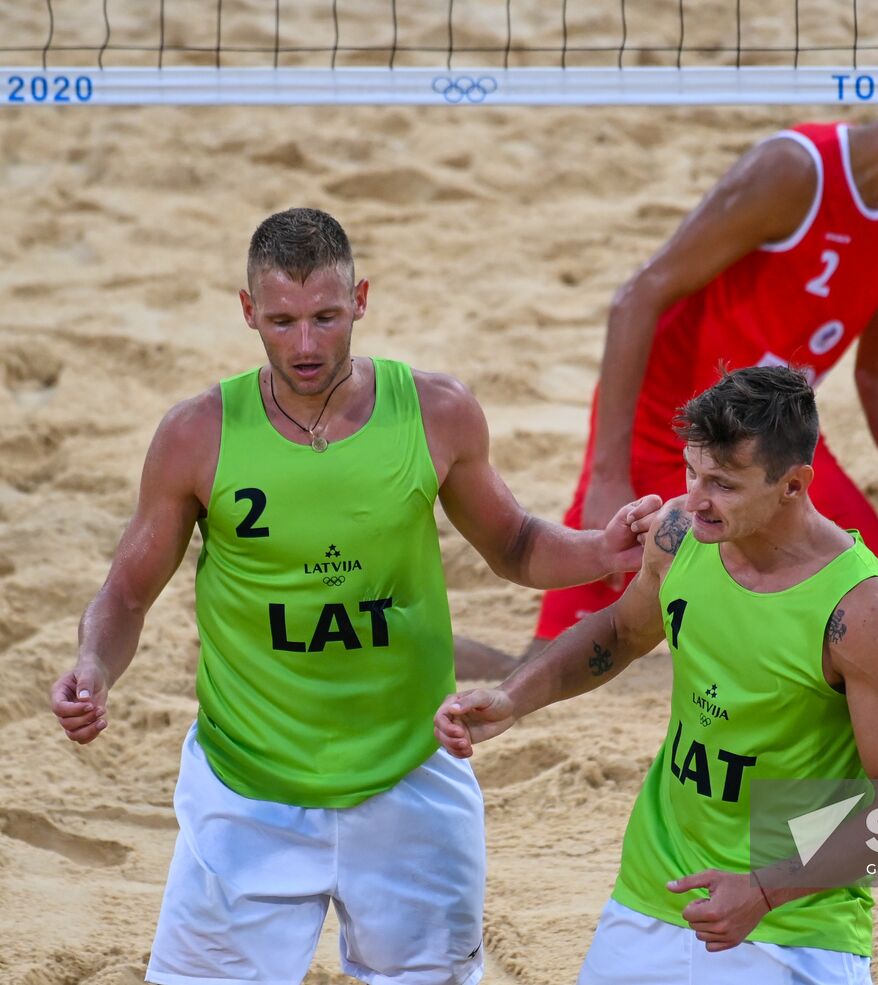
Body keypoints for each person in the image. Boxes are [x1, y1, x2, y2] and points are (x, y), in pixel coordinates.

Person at [48, 207, 661, 985]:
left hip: (408, 771)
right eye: (282, 321)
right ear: (248, 313)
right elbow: (127, 594)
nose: (306, 345)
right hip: (249, 786)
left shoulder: (436, 410)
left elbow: (513, 543)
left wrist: (600, 549)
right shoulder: (197, 433)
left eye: (326, 317)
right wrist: (94, 664)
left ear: (361, 300)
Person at [453, 30, 878, 677]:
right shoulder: (794, 171)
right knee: (550, 665)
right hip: (670, 432)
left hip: (778, 447)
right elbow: (637, 296)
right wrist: (611, 473)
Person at [436, 365, 878, 984]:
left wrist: (762, 890)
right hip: (656, 888)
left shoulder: (863, 613)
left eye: (722, 484)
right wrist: (514, 697)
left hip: (795, 924)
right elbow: (621, 631)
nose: (696, 499)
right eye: (691, 472)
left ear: (793, 485)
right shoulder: (680, 536)